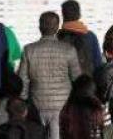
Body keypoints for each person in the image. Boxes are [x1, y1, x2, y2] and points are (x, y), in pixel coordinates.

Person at [19, 11, 82, 139]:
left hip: (37, 106)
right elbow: (78, 80)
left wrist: (24, 101)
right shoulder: (69, 49)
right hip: (62, 107)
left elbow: (23, 80)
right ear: (57, 27)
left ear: (39, 27)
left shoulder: (29, 50)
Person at [57, 0, 103, 77]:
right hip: (86, 85)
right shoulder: (90, 36)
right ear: (79, 14)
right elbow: (98, 64)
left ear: (63, 15)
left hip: (64, 85)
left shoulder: (57, 37)